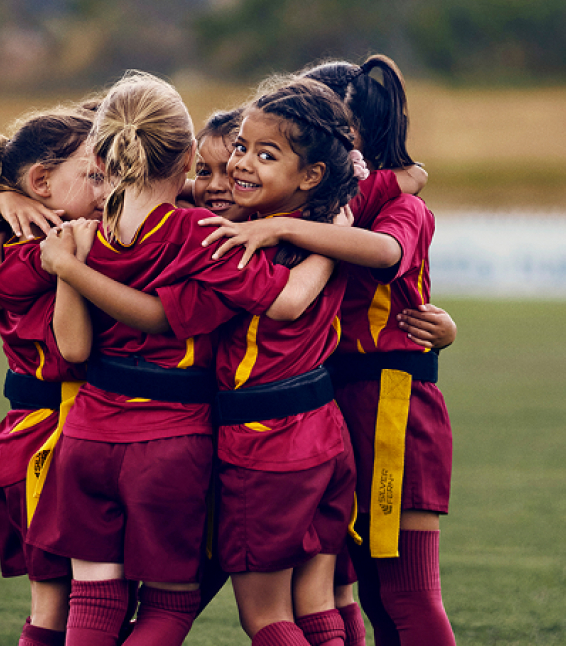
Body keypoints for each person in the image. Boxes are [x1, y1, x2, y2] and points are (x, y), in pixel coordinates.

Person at [24, 71, 340, 646]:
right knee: (170, 606)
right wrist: (328, 243)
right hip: (168, 441)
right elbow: (286, 299)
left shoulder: (87, 229)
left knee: (94, 598)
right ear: (190, 153)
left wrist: (68, 266)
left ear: (102, 152)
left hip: (88, 434)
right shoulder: (198, 231)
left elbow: (73, 347)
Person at [202, 53, 458, 646]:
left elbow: (386, 250)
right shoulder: (312, 202)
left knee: (402, 592)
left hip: (388, 402)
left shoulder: (385, 206)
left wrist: (283, 228)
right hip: (324, 405)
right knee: (340, 586)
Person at [0, 106, 108, 646]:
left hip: (48, 429)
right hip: (51, 435)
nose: (111, 187)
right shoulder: (47, 247)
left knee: (79, 600)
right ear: (42, 182)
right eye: (97, 175)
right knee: (59, 603)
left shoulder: (35, 233)